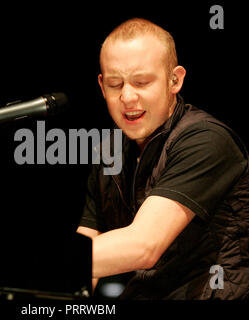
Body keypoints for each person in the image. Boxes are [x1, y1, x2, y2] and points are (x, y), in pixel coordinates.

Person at [77, 18, 249, 300]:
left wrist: (40, 265)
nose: (127, 96)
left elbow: (143, 246)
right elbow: (88, 247)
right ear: (101, 86)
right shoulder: (110, 151)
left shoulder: (206, 139)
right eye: (114, 84)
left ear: (175, 80)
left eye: (141, 82)